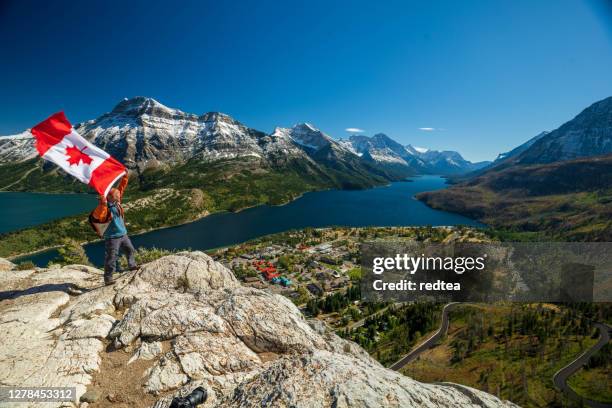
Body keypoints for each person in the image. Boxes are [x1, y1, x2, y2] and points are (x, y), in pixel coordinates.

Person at [91, 174, 138, 285]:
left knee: (130, 250)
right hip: (112, 237)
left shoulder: (117, 202)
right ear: (110, 197)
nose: (119, 194)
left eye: (118, 194)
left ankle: (132, 265)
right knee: (111, 257)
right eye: (116, 194)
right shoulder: (103, 208)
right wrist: (103, 204)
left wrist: (125, 176)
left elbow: (121, 187)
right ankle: (108, 278)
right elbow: (101, 217)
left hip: (123, 234)